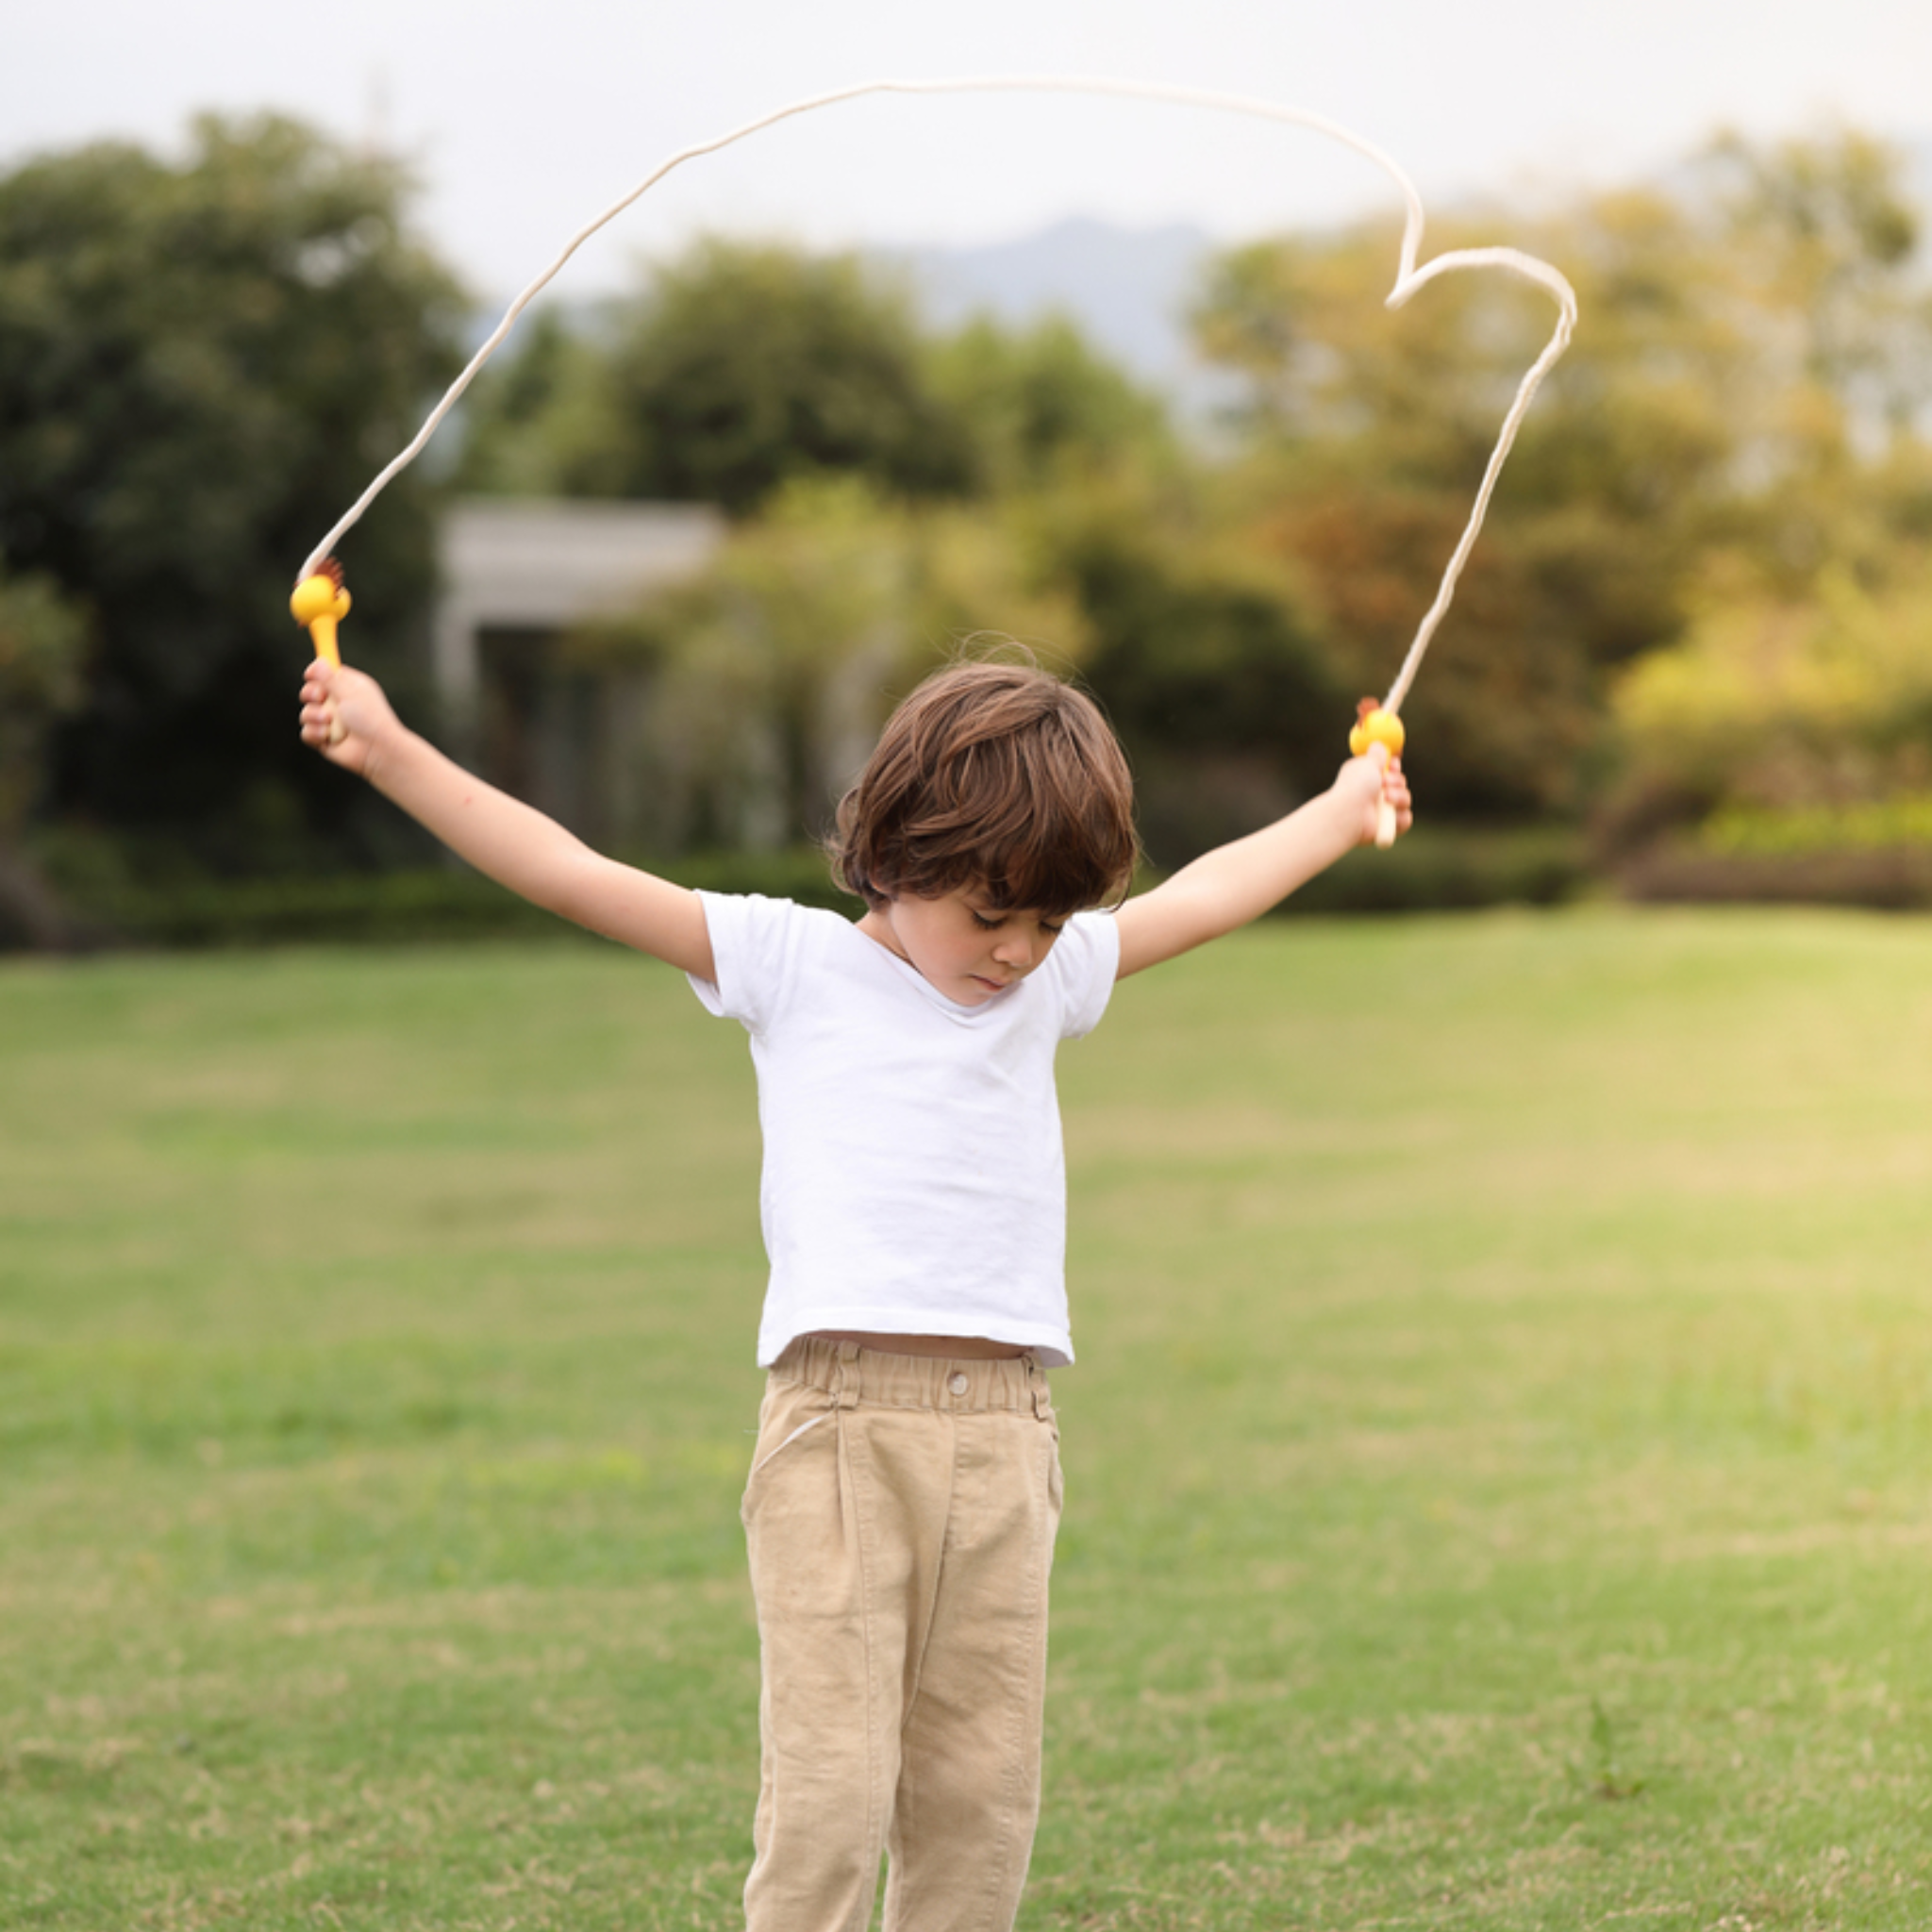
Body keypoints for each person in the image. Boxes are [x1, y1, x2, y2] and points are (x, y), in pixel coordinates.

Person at [298, 641, 1411, 1932]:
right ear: (893, 858)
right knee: (829, 1796)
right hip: (840, 1431)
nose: (1016, 953)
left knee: (980, 1799)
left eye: (1047, 922)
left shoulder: (1051, 985)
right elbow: (566, 868)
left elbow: (1210, 895)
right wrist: (384, 743)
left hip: (1006, 1438)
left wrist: (1342, 808)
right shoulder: (789, 963)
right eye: (990, 916)